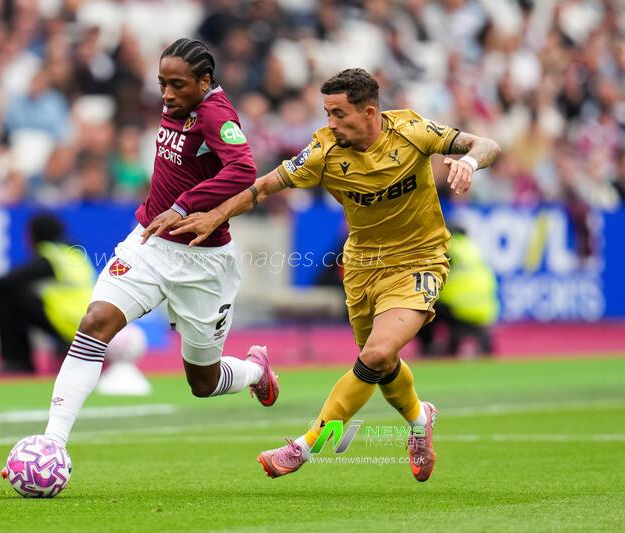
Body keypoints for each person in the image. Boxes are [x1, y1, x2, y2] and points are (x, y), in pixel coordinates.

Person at [171, 68, 501, 481]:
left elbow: (487, 144)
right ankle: (420, 420)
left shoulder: (411, 131)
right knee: (380, 362)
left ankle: (305, 445)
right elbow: (265, 186)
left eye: (339, 114)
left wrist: (469, 161)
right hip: (362, 268)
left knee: (375, 355)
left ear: (369, 113)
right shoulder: (323, 151)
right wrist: (215, 215)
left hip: (419, 260)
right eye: (327, 113)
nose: (330, 123)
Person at [39, 38, 280, 449]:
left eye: (177, 85)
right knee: (94, 323)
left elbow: (243, 169)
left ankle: (255, 371)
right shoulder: (178, 105)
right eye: (162, 83)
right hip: (149, 243)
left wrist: (183, 206)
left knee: (203, 382)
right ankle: (52, 443)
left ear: (205, 81)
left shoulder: (216, 114)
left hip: (203, 261)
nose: (167, 94)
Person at [0, 213, 94, 374]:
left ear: (36, 235)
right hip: (88, 322)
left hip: (67, 323)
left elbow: (14, 277)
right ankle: (64, 347)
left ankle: (16, 362)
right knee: (24, 294)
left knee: (8, 293)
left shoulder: (51, 255)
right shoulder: (75, 253)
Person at [418, 225, 499, 357]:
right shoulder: (471, 248)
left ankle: (428, 346)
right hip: (486, 310)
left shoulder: (447, 249)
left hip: (459, 308)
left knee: (418, 304)